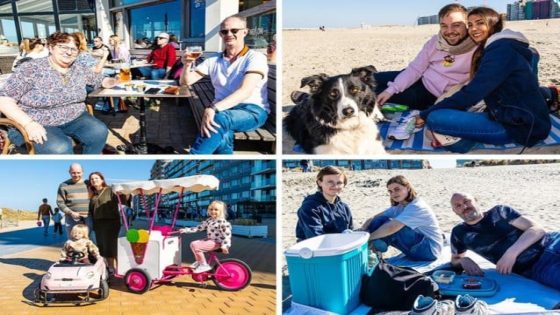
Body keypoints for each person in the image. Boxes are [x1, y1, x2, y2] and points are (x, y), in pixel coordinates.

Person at [418, 7, 551, 153]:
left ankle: (463, 143)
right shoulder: (503, 45)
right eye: (470, 25)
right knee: (448, 112)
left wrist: (425, 115)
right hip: (514, 116)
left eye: (480, 23)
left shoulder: (500, 51)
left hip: (517, 127)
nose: (473, 29)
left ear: (493, 24)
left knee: (435, 118)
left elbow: (472, 93)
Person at [0, 32, 115, 154]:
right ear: (51, 47)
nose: (69, 52)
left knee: (99, 132)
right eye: (63, 47)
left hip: (75, 116)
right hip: (37, 120)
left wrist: (113, 81)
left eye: (73, 49)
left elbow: (98, 80)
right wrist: (29, 124)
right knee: (60, 148)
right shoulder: (31, 68)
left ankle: (88, 164)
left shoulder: (78, 67)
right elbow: (4, 100)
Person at [180, 15, 269, 154]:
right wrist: (186, 65)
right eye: (224, 31)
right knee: (222, 134)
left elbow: (245, 91)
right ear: (220, 34)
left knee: (218, 119)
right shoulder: (214, 59)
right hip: (224, 110)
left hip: (252, 111)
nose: (229, 34)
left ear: (245, 32)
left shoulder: (255, 57)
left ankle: (194, 157)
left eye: (234, 30)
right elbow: (186, 82)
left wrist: (213, 108)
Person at [375, 4, 477, 110]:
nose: (449, 31)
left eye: (456, 25)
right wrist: (391, 89)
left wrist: (388, 93)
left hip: (430, 94)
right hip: (421, 77)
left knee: (374, 94)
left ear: (467, 25)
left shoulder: (477, 48)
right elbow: (416, 69)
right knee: (370, 78)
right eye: (444, 26)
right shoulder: (435, 41)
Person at [449, 193, 560, 291]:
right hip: (537, 267)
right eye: (458, 206)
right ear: (454, 212)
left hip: (552, 243)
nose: (464, 206)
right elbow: (455, 260)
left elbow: (537, 229)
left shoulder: (500, 211)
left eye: (466, 201)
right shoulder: (459, 233)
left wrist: (511, 253)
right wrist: (463, 260)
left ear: (476, 201)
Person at [359, 176, 443, 261]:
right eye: (390, 191)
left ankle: (374, 247)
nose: (393, 194)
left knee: (393, 226)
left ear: (407, 188)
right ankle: (376, 247)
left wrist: (368, 238)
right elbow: (374, 217)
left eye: (397, 189)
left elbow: (392, 227)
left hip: (429, 251)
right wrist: (363, 229)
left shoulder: (416, 206)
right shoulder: (400, 206)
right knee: (380, 219)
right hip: (416, 249)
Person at [295, 166, 353, 242]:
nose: (335, 186)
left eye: (339, 183)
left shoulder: (344, 207)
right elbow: (315, 237)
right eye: (330, 182)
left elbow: (351, 230)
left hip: (340, 245)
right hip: (315, 249)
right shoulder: (310, 207)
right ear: (320, 182)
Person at [179, 200, 232, 273]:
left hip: (217, 243)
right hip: (210, 240)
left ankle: (204, 265)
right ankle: (199, 262)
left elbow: (227, 235)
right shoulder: (209, 220)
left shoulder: (223, 223)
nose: (213, 211)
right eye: (211, 209)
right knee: (192, 244)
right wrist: (186, 230)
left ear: (221, 211)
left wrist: (225, 246)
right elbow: (199, 228)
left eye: (216, 210)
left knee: (195, 245)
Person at [88, 171, 121, 272]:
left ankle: (120, 268)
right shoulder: (92, 194)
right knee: (103, 247)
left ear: (102, 180)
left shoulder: (110, 190)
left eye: (96, 178)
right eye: (92, 179)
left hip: (111, 223)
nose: (94, 180)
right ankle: (111, 268)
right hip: (98, 224)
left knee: (113, 246)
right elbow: (90, 210)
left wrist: (125, 194)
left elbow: (122, 199)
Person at [57, 163, 92, 238]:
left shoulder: (89, 183)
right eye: (73, 173)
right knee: (72, 240)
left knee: (90, 239)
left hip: (89, 217)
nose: (76, 175)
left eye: (78, 172)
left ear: (82, 172)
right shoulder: (63, 185)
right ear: (69, 172)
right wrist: (71, 213)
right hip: (71, 218)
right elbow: (60, 203)